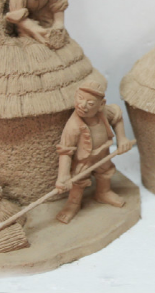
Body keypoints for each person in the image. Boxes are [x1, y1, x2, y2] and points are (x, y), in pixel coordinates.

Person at [55, 81, 134, 224]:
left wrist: (122, 138)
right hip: (84, 160)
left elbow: (117, 116)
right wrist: (63, 176)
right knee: (78, 180)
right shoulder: (73, 126)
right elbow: (65, 151)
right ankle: (73, 203)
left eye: (90, 103)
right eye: (80, 98)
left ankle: (103, 193)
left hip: (103, 153)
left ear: (101, 104)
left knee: (105, 172)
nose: (82, 105)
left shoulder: (104, 112)